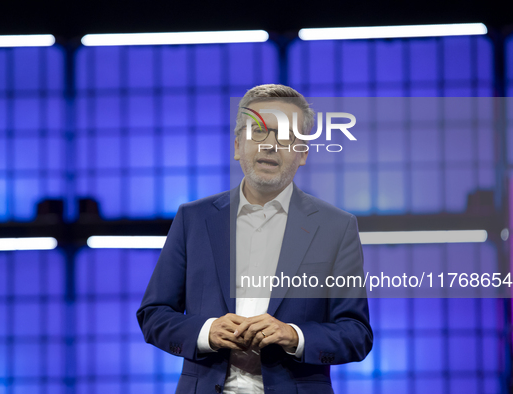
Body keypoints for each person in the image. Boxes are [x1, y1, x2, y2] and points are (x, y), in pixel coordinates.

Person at [137, 84, 373, 394]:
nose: (270, 145)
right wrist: (206, 331)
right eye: (258, 132)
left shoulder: (336, 226)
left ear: (302, 153)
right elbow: (153, 315)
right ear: (237, 146)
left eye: (286, 137)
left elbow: (356, 334)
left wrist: (293, 335)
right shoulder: (193, 219)